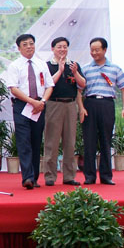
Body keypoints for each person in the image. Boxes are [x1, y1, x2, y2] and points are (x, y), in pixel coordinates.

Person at [5, 34, 54, 189]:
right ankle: (27, 177)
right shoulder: (15, 65)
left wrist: (42, 102)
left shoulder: (41, 64)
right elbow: (13, 88)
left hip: (39, 106)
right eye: (25, 44)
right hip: (22, 106)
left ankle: (35, 178)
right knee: (24, 141)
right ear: (19, 48)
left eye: (31, 43)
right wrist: (31, 102)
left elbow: (49, 86)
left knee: (36, 141)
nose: (29, 47)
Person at [80, 37, 124, 185]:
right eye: (92, 50)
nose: (94, 53)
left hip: (107, 104)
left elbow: (123, 88)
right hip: (90, 104)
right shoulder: (85, 69)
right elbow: (79, 91)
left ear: (105, 50)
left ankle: (106, 176)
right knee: (89, 141)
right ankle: (89, 176)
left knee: (106, 140)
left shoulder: (115, 69)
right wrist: (81, 108)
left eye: (97, 50)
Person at [43, 37, 86, 187]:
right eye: (59, 47)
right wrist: (60, 70)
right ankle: (50, 176)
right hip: (54, 104)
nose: (62, 49)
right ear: (53, 49)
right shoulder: (48, 66)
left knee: (70, 142)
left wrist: (75, 72)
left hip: (71, 105)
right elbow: (47, 84)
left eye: (65, 47)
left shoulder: (73, 65)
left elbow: (82, 84)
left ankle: (69, 176)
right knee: (51, 142)